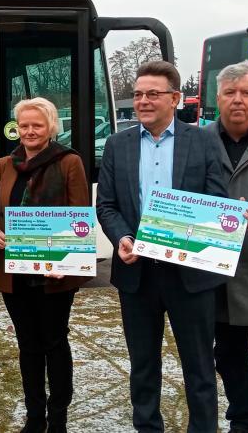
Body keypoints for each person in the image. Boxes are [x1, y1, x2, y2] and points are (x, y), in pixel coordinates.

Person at [97, 60, 231, 433]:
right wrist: (123, 238)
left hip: (190, 275)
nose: (142, 101)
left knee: (200, 367)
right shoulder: (117, 144)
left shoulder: (204, 140)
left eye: (152, 94)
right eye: (138, 94)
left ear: (174, 98)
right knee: (142, 365)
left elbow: (216, 200)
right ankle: (147, 427)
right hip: (137, 274)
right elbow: (106, 204)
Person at [0, 97, 91, 433]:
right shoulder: (4, 164)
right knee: (28, 345)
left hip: (54, 276)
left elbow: (79, 218)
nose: (29, 131)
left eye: (37, 125)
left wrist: (67, 261)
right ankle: (34, 417)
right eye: (24, 125)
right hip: (14, 274)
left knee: (54, 342)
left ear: (51, 127)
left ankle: (58, 418)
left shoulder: (69, 162)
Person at [206, 60, 248, 433]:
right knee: (230, 359)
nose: (238, 100)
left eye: (246, 93)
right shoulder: (199, 141)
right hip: (218, 278)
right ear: (218, 98)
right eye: (230, 93)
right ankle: (244, 421)